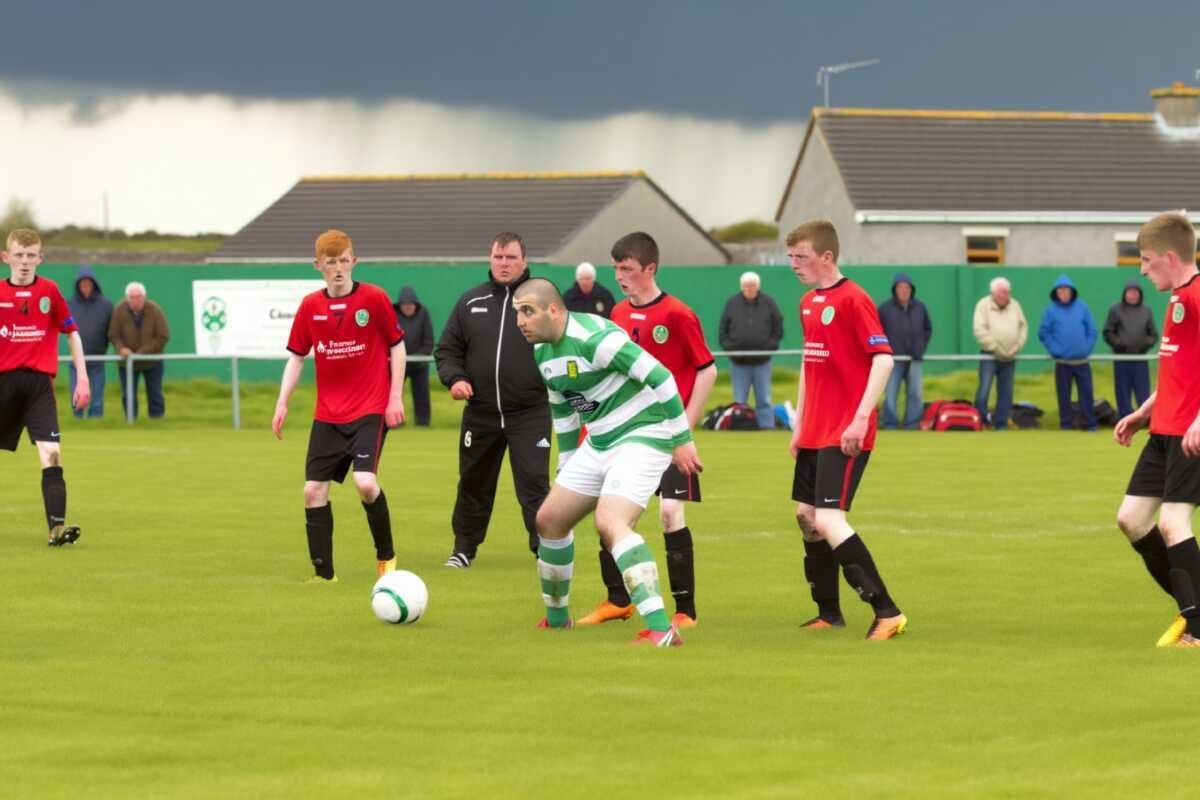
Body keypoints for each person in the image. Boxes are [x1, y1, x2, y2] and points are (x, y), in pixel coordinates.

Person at [512, 277, 702, 646]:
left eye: (527, 311)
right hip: (599, 441)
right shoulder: (541, 352)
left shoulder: (596, 339)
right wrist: (566, 465)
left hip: (643, 435)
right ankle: (556, 621)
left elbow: (662, 377)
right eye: (517, 312)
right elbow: (564, 411)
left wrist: (682, 440)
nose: (520, 320)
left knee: (610, 521)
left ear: (554, 310)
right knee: (549, 520)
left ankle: (662, 629)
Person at [577, 231, 716, 629]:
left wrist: (684, 427)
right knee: (612, 516)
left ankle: (685, 611)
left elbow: (708, 370)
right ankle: (617, 600)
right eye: (616, 267)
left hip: (667, 435)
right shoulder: (618, 314)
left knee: (671, 513)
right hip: (623, 435)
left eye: (628, 268)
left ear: (650, 269)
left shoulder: (677, 314)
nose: (619, 275)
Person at [786, 219, 907, 640]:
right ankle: (828, 612)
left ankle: (887, 611)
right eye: (790, 257)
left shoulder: (854, 299)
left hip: (845, 432)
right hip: (815, 431)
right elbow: (808, 363)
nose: (793, 264)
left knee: (829, 518)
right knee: (806, 517)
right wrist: (800, 422)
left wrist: (859, 418)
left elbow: (884, 360)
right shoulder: (807, 303)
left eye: (800, 256)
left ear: (827, 257)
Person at [272, 229, 407, 583]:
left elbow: (397, 346)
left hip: (369, 408)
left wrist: (394, 397)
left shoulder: (374, 298)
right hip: (328, 415)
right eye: (331, 262)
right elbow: (297, 358)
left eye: (344, 260)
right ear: (318, 265)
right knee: (312, 491)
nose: (338, 268)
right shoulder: (309, 307)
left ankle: (387, 558)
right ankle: (323, 575)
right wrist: (282, 403)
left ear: (354, 262)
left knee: (365, 482)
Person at [434, 232, 550, 567]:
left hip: (529, 413)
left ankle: (545, 548)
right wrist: (455, 379)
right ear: (490, 259)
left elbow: (563, 346)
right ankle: (463, 548)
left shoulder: (542, 301)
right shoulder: (471, 302)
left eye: (511, 258)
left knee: (533, 484)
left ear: (524, 261)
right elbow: (447, 350)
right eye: (498, 257)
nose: (504, 264)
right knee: (473, 482)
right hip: (481, 414)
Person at [1113, 210, 1200, 648]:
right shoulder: (1176, 297)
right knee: (1130, 519)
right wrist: (1144, 410)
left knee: (1172, 522)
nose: (1142, 270)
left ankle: (1197, 627)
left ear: (1169, 257)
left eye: (1146, 260)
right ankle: (1194, 608)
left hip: (1191, 435)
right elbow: (1179, 372)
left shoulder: (1198, 294)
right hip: (1162, 430)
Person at [0, 228, 91, 546]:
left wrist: (82, 376)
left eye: (30, 256)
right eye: (18, 255)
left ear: (40, 258)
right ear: (6, 257)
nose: (24, 262)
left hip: (39, 386)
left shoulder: (49, 292)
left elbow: (72, 333)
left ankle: (56, 529)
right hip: (3, 385)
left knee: (51, 453)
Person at [718, 270, 783, 429]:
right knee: (740, 400)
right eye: (746, 286)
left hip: (762, 361)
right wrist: (729, 348)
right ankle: (740, 426)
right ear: (742, 287)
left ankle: (767, 428)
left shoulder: (769, 303)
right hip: (738, 361)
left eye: (752, 286)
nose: (749, 289)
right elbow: (723, 328)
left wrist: (771, 346)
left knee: (764, 399)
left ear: (758, 287)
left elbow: (778, 326)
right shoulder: (732, 303)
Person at [1039, 275, 1099, 430]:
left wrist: (1086, 348)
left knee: (1087, 395)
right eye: (1060, 290)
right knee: (1064, 396)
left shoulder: (1082, 307)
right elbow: (1043, 333)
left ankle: (1090, 423)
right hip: (1062, 363)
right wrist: (1055, 350)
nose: (1064, 293)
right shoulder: (1050, 310)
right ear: (1056, 292)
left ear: (1072, 291)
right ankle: (1066, 425)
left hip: (1082, 362)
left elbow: (1092, 330)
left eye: (1066, 290)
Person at [877, 272, 932, 430]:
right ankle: (890, 424)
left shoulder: (920, 307)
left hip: (915, 359)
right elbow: (877, 331)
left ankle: (912, 424)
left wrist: (920, 348)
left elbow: (927, 329)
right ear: (894, 289)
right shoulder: (885, 308)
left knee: (915, 393)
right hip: (892, 359)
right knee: (891, 393)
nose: (904, 290)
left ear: (911, 289)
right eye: (900, 287)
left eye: (907, 287)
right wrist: (885, 351)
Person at [108, 281, 169, 419]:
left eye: (139, 297)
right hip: (127, 362)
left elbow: (163, 336)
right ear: (127, 298)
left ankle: (157, 419)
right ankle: (130, 420)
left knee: (155, 392)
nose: (136, 301)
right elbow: (113, 334)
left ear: (144, 297)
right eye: (132, 297)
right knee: (128, 394)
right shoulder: (119, 310)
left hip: (152, 361)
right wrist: (121, 348)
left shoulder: (155, 310)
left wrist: (142, 352)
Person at [973, 277, 1028, 430]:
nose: (1006, 295)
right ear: (994, 293)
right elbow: (979, 330)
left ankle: (1001, 424)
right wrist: (996, 348)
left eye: (1008, 292)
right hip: (989, 355)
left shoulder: (1015, 305)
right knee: (984, 389)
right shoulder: (982, 305)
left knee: (1006, 392)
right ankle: (981, 421)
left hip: (1010, 356)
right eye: (1003, 292)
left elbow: (1023, 328)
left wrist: (1016, 347)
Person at [1104, 281, 1158, 419]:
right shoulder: (1115, 310)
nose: (1132, 295)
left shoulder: (1147, 310)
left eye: (1135, 292)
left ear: (1139, 294)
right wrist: (1119, 344)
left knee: (1143, 392)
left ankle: (1145, 419)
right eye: (1129, 292)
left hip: (1140, 359)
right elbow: (1108, 332)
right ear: (1125, 294)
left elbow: (1153, 334)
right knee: (1122, 392)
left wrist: (1144, 345)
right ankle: (1125, 419)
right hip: (1122, 359)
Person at [66, 265, 112, 418]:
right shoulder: (69, 305)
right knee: (76, 393)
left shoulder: (106, 305)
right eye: (82, 284)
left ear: (94, 285)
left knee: (97, 395)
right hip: (76, 361)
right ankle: (77, 419)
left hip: (97, 360)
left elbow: (110, 330)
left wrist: (102, 349)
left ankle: (96, 420)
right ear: (78, 286)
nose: (85, 287)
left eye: (88, 284)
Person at [393, 286, 434, 426]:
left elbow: (429, 341)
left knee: (422, 394)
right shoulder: (392, 314)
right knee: (394, 394)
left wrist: (418, 356)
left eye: (410, 304)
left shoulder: (424, 313)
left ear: (416, 304)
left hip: (420, 364)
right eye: (404, 304)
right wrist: (398, 357)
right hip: (397, 365)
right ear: (400, 305)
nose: (408, 307)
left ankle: (423, 422)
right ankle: (395, 421)